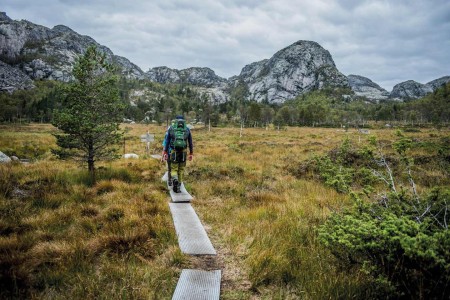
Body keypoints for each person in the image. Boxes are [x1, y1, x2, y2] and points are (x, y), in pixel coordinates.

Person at [162, 115, 193, 193]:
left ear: (176, 121)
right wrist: (191, 153)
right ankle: (178, 186)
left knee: (174, 169)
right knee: (181, 169)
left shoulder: (171, 129)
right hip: (183, 152)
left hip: (173, 151)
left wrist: (165, 151)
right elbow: (190, 142)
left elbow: (167, 141)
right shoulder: (187, 129)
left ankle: (174, 179)